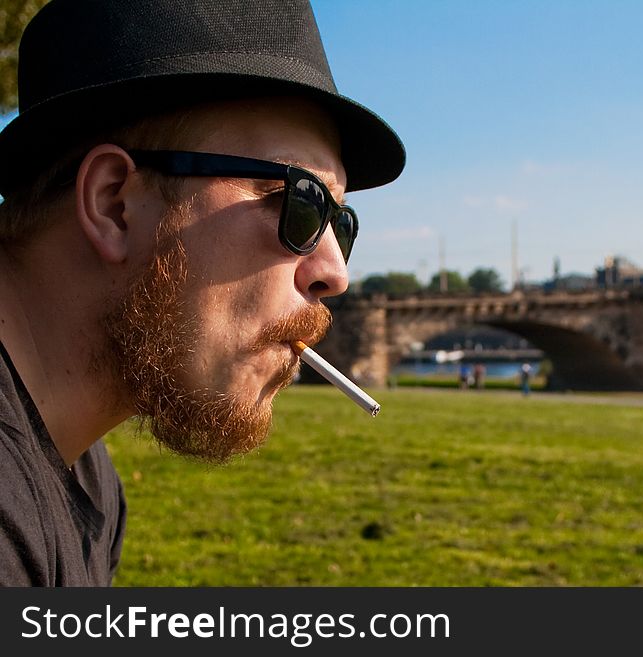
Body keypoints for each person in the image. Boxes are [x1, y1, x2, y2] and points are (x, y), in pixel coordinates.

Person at [0, 0, 404, 586]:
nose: (335, 272)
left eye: (341, 226)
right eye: (299, 202)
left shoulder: (85, 475)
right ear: (115, 204)